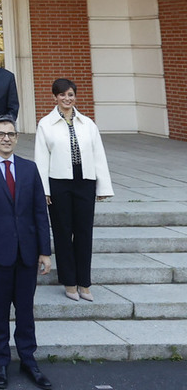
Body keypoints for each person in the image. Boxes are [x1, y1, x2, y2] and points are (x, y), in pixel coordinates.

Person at [0, 115, 53, 390]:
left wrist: (45, 251)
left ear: (17, 137)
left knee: (26, 311)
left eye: (11, 134)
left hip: (27, 253)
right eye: (1, 133)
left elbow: (40, 212)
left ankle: (29, 360)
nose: (7, 138)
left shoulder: (30, 169)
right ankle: (1, 361)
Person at [34, 78, 113, 302]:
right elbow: (41, 160)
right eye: (62, 95)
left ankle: (84, 284)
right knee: (62, 232)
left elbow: (99, 155)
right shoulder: (45, 124)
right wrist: (44, 190)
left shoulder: (88, 123)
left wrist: (103, 186)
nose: (67, 99)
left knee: (84, 233)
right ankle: (69, 282)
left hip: (84, 183)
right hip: (59, 184)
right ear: (55, 97)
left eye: (70, 95)